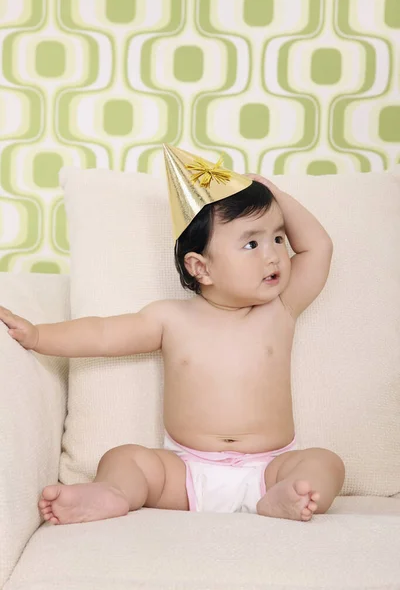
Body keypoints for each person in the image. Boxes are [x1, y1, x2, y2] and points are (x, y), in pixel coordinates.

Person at [0, 145, 345, 525]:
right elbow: (101, 333)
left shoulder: (280, 309)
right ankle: (111, 493)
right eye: (251, 243)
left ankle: (283, 501)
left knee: (325, 464)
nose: (274, 255)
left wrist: (272, 194)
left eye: (278, 238)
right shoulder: (171, 318)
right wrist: (37, 336)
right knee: (124, 457)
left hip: (270, 470)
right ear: (201, 267)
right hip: (186, 472)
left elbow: (319, 247)